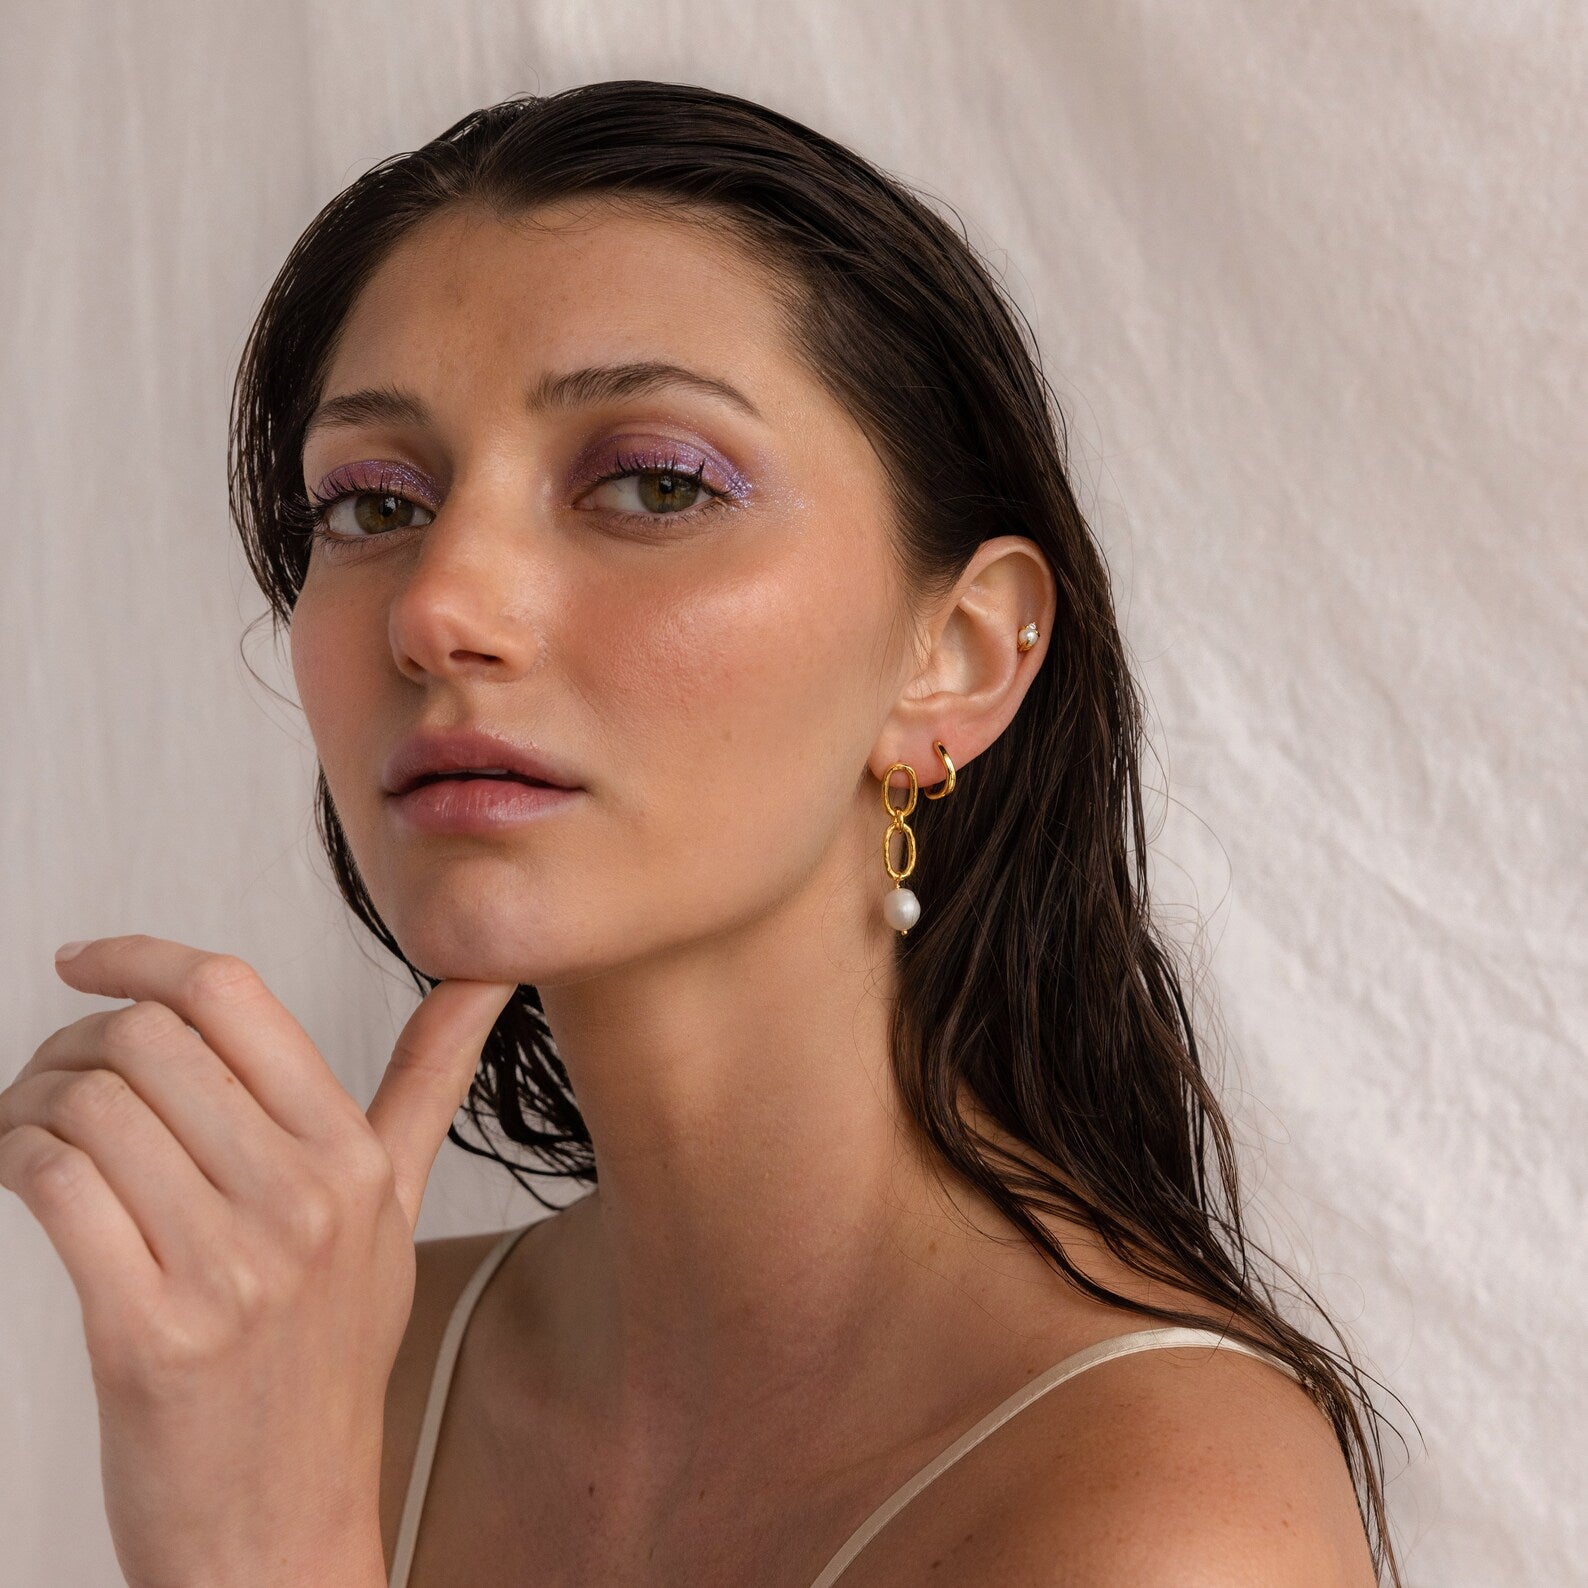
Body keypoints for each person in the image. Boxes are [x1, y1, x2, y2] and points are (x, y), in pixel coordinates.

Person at [10, 79, 1401, 1588]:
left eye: (656, 483)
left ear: (956, 656)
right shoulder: (313, 1370)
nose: (439, 606)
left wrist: (260, 1557)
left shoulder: (1168, 1517)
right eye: (374, 504)